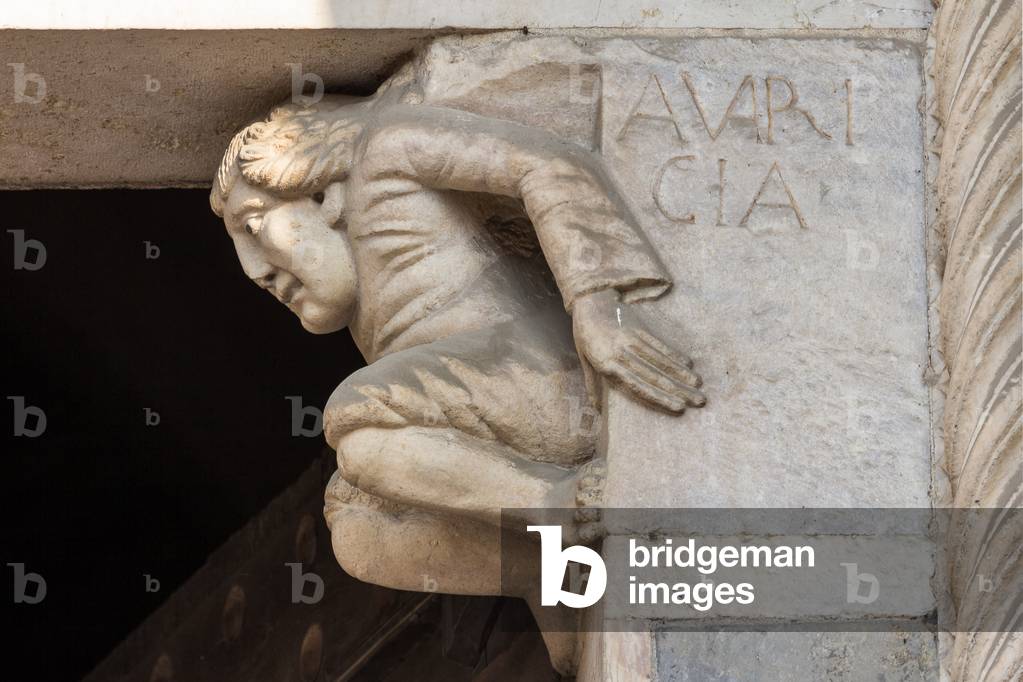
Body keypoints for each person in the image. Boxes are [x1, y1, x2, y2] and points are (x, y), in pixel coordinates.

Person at [210, 93, 704, 673]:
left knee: (358, 420)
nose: (253, 270)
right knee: (358, 522)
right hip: (494, 416)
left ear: (321, 193)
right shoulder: (371, 299)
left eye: (254, 226)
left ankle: (562, 504)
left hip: (547, 381)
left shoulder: (385, 147)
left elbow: (542, 162)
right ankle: (548, 571)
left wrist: (597, 303)